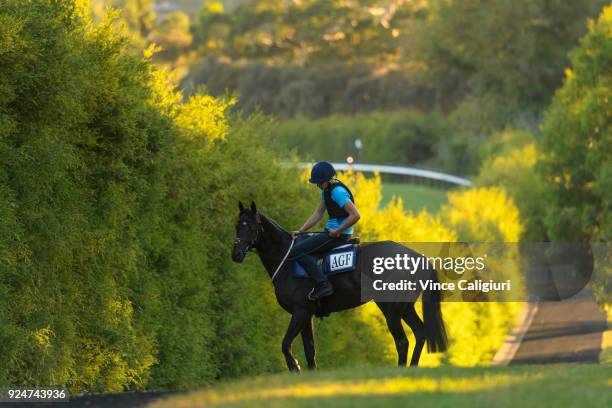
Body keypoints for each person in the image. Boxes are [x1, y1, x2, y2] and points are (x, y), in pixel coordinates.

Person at [289, 161, 361, 301]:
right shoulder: (326, 190)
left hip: (339, 235)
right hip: (330, 231)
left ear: (327, 180)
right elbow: (318, 213)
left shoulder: (338, 192)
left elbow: (356, 215)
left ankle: (323, 284)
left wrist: (338, 231)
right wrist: (301, 231)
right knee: (301, 241)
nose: (317, 185)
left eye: (319, 182)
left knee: (296, 251)